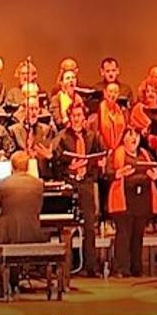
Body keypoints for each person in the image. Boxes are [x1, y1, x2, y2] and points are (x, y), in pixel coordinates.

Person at [52, 101, 104, 277]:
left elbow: (99, 157)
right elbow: (55, 164)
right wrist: (70, 167)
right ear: (69, 117)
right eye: (74, 116)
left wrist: (94, 164)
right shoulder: (62, 137)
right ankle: (66, 266)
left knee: (90, 226)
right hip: (70, 183)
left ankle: (91, 266)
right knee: (67, 225)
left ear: (84, 117)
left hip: (86, 183)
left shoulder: (92, 136)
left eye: (80, 116)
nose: (77, 119)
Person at [107, 129, 157, 277]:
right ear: (123, 138)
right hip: (123, 197)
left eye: (136, 136)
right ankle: (120, 268)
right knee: (123, 234)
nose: (134, 138)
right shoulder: (117, 153)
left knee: (138, 235)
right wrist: (119, 173)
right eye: (130, 135)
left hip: (142, 198)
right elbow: (107, 172)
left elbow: (155, 170)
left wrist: (154, 175)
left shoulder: (144, 153)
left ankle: (136, 268)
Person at [0, 151, 47, 247]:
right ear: (27, 166)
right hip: (33, 234)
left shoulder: (3, 183)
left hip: (6, 236)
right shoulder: (39, 184)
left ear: (12, 166)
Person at [8, 100, 59, 179]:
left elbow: (50, 153)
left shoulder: (47, 130)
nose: (34, 112)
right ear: (24, 110)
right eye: (31, 109)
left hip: (42, 173)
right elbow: (11, 154)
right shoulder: (14, 130)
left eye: (36, 109)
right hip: (21, 173)